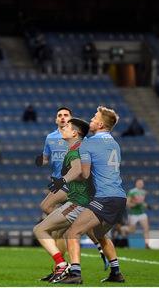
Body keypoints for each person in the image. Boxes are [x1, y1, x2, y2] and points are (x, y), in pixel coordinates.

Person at [50, 106, 126, 284]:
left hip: (104, 197)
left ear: (100, 124)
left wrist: (67, 177)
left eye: (94, 117)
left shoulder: (89, 143)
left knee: (73, 232)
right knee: (99, 233)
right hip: (120, 198)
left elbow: (84, 174)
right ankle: (116, 272)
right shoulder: (115, 144)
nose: (91, 119)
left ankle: (75, 273)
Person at [34, 108, 108, 280]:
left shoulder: (76, 150)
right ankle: (70, 269)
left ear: (75, 132)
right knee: (59, 231)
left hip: (78, 202)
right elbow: (84, 173)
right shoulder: (78, 146)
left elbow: (76, 170)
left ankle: (62, 266)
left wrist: (63, 181)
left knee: (40, 229)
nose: (64, 126)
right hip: (81, 200)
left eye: (67, 125)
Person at [122, 179, 151, 248]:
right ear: (136, 184)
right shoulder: (132, 192)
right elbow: (127, 203)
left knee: (146, 228)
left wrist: (146, 205)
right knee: (132, 230)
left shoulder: (143, 192)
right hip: (133, 214)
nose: (141, 184)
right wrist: (134, 204)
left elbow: (141, 202)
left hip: (141, 213)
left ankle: (147, 244)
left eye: (142, 183)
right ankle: (123, 229)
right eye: (139, 183)